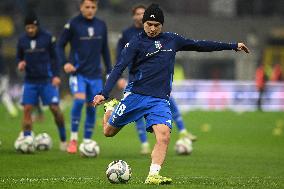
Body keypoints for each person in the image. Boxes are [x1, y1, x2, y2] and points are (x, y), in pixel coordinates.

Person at [93, 4, 249, 185]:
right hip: (135, 95)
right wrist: (104, 93)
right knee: (108, 132)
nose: (152, 28)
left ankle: (153, 175)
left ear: (162, 25)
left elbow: (200, 45)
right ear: (144, 23)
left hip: (159, 100)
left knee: (164, 135)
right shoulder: (135, 43)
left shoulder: (172, 40)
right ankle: (111, 109)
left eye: (156, 25)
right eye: (149, 24)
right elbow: (119, 67)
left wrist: (232, 46)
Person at [116, 5, 197, 155]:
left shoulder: (161, 36)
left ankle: (183, 132)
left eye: (143, 13)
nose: (140, 16)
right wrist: (120, 77)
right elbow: (120, 58)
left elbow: (197, 45)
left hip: (157, 84)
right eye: (138, 14)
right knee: (136, 114)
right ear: (134, 16)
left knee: (169, 103)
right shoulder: (128, 35)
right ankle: (144, 143)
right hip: (136, 81)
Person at [57, 0, 112, 153]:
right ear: (81, 7)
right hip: (78, 73)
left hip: (95, 74)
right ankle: (73, 139)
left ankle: (87, 140)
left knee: (91, 106)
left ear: (97, 8)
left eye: (93, 7)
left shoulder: (101, 25)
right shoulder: (73, 24)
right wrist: (65, 63)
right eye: (87, 7)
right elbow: (59, 45)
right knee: (79, 100)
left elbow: (105, 50)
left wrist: (110, 71)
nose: (90, 10)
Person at [16, 11, 67, 150]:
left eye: (33, 27)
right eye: (28, 28)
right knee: (27, 109)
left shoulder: (48, 38)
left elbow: (55, 58)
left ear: (37, 26)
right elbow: (19, 56)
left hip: (47, 80)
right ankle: (27, 141)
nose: (30, 30)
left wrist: (56, 76)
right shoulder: (22, 40)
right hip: (30, 81)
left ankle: (63, 140)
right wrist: (20, 62)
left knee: (55, 109)